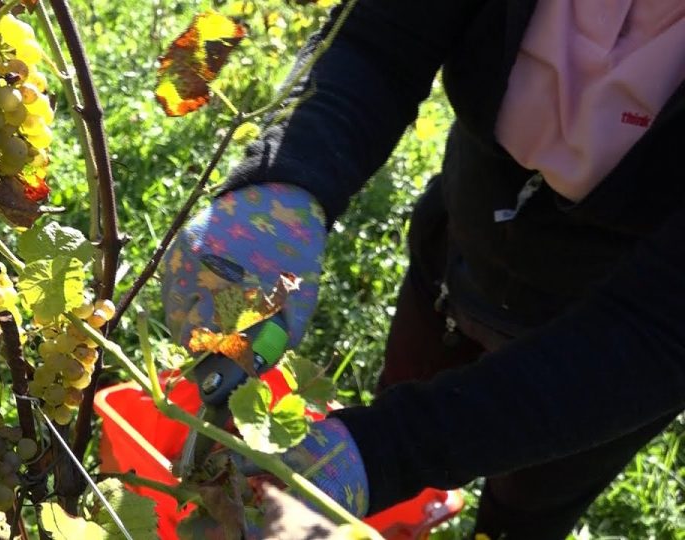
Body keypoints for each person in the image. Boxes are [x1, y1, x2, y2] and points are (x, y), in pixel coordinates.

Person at [161, 0, 685, 538]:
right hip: (454, 255)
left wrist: (392, 452)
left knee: (531, 502)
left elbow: (663, 331)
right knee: (405, 383)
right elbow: (381, 43)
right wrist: (287, 180)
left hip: (613, 360)